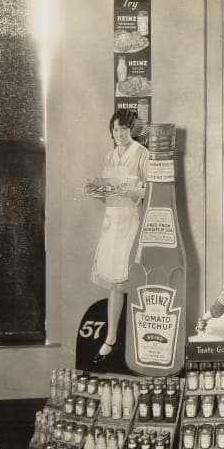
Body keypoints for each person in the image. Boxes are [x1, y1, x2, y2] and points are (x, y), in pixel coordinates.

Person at [86, 109, 149, 363]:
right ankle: (111, 338)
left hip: (131, 222)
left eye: (123, 129)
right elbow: (107, 193)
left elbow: (149, 189)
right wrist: (97, 191)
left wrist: (129, 188)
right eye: (115, 130)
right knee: (114, 282)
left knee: (131, 280)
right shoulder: (110, 156)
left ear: (131, 129)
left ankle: (139, 340)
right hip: (112, 222)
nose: (119, 134)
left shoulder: (142, 154)